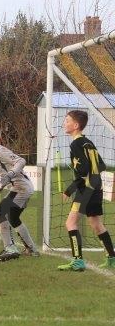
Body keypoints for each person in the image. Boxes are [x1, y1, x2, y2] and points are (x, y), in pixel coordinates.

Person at [58, 110, 114, 271]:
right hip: (97, 188)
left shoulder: (76, 144)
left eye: (67, 120)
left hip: (86, 190)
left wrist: (69, 190)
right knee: (96, 223)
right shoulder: (88, 142)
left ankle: (78, 261)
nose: (64, 123)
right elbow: (101, 165)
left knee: (70, 223)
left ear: (76, 125)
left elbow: (83, 171)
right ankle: (112, 258)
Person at [0, 124, 39, 262]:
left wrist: (9, 175)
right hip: (20, 187)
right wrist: (0, 184)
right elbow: (6, 174)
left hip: (21, 188)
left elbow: (21, 161)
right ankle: (32, 249)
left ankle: (10, 248)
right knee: (13, 217)